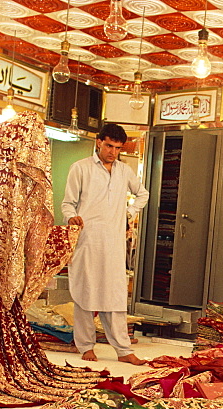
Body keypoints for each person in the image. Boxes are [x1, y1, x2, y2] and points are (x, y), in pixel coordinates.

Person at [60, 122, 148, 365]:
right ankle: (86, 346)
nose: (112, 152)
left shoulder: (124, 171)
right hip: (88, 239)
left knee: (115, 295)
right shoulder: (80, 168)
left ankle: (123, 350)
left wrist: (129, 213)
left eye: (118, 148)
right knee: (85, 291)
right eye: (109, 145)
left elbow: (143, 194)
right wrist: (71, 217)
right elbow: (67, 203)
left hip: (114, 243)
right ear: (99, 142)